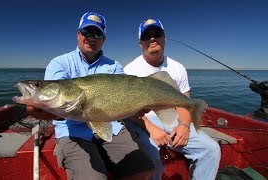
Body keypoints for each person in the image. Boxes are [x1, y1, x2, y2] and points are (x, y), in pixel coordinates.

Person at [27, 12, 155, 180]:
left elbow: (124, 100)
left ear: (104, 39)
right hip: (73, 131)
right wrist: (43, 107)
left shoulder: (114, 66)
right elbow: (58, 103)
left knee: (143, 169)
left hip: (111, 126)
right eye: (86, 32)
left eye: (97, 33)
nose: (91, 37)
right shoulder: (60, 63)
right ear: (78, 34)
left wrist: (136, 107)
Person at [124, 18, 221, 180]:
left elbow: (184, 102)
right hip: (143, 122)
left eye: (157, 33)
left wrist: (183, 125)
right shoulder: (129, 70)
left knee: (211, 149)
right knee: (151, 154)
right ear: (140, 43)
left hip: (174, 120)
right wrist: (151, 128)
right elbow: (128, 110)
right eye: (147, 36)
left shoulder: (178, 68)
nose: (152, 38)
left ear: (164, 38)